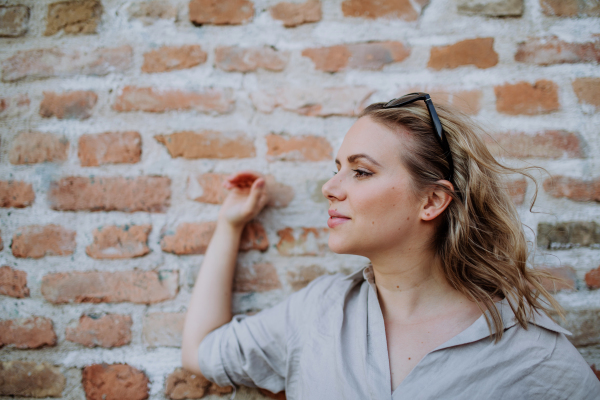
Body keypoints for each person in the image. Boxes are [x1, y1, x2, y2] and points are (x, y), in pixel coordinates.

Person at [181, 93, 600, 399]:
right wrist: (229, 225)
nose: (330, 187)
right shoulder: (317, 313)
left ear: (432, 201)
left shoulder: (531, 352)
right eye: (337, 169)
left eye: (361, 172)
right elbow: (201, 353)